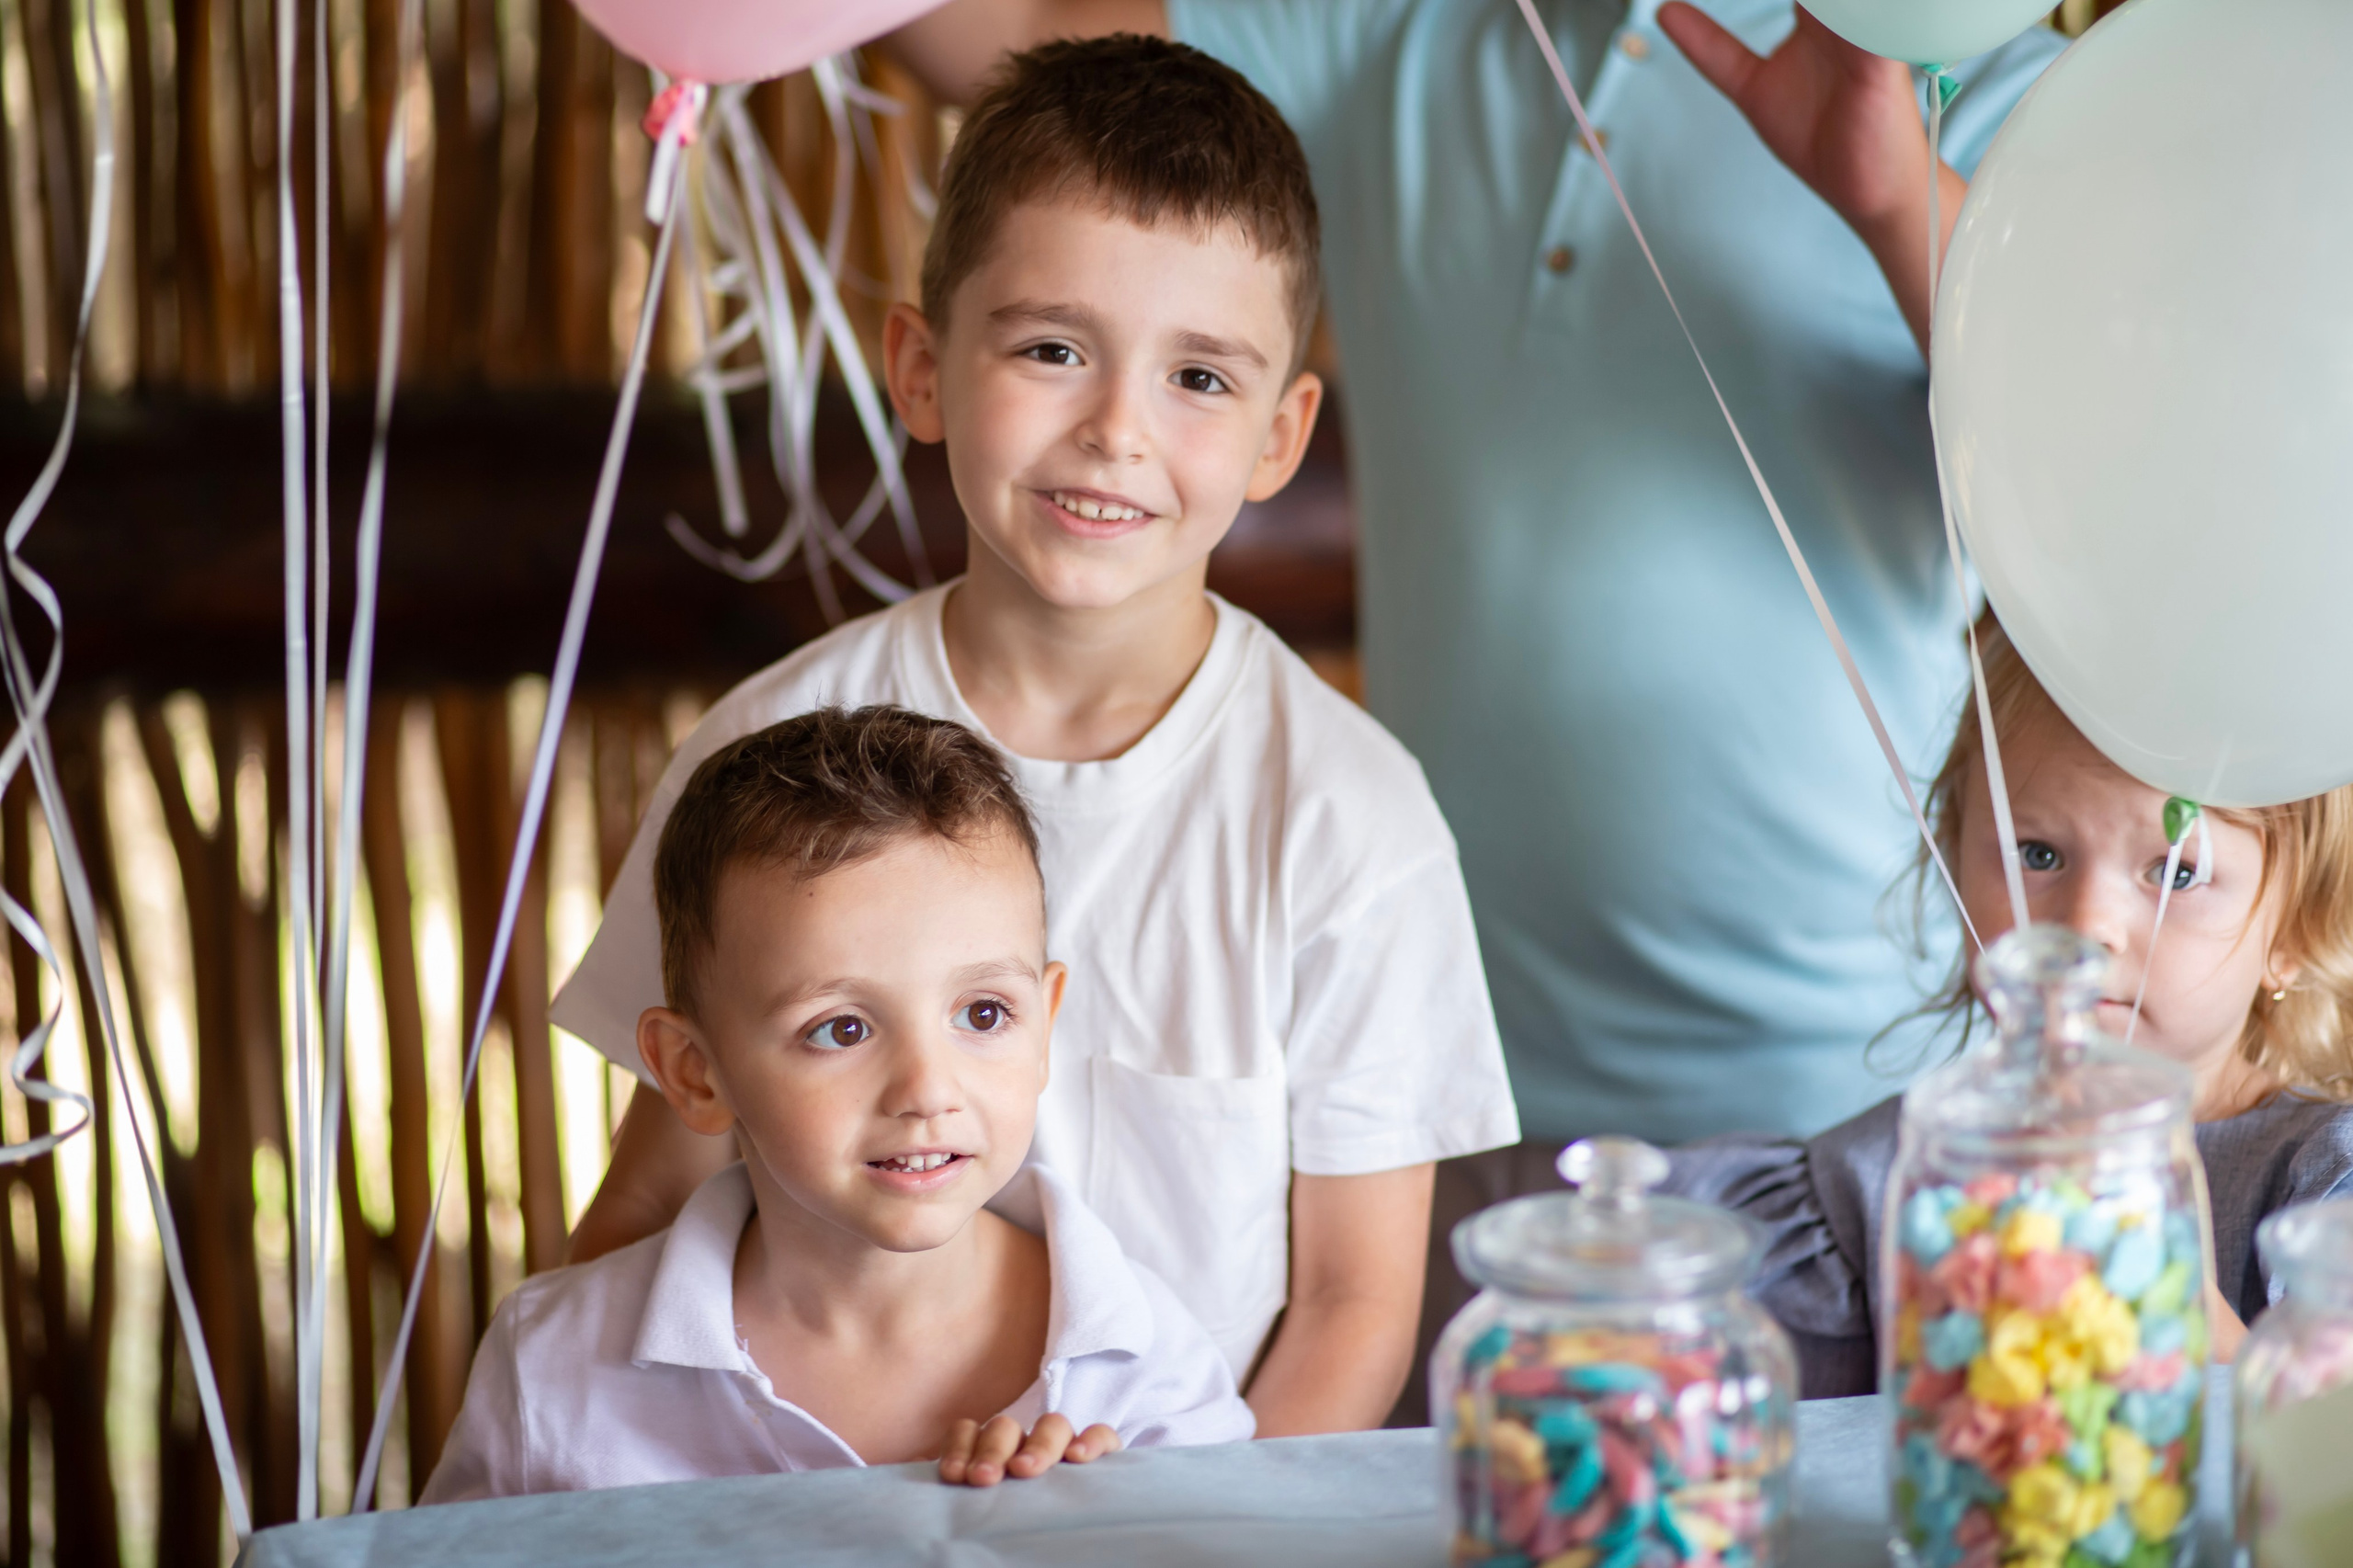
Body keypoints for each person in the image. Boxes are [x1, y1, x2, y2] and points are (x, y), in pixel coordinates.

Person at [883, 0, 2069, 1419]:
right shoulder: (1388, 29)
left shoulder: (2002, 86)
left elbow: (2123, 491)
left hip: (1844, 1116)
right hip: (1429, 1119)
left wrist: (1892, 199)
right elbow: (1011, 35)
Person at [550, 36, 1520, 1437]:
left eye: (1200, 377)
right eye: (1053, 350)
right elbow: (651, 1196)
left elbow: (1351, 1304)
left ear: (1280, 433)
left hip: (1179, 1520)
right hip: (795, 1505)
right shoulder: (767, 752)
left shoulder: (1347, 818)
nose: (1117, 430)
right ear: (921, 367)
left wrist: (1192, 1529)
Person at [423, 708, 1252, 1501]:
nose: (927, 1090)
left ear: (1044, 1028)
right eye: (842, 1029)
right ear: (696, 1074)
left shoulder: (1147, 1373)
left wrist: (1104, 1536)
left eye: (983, 1014)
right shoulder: (550, 1373)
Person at [1665, 617, 2353, 1398]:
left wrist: (2161, 1278)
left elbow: (2320, 1434)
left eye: (2175, 873)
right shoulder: (1895, 1173)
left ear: (2295, 931)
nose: (2086, 925)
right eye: (2038, 854)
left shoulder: (2324, 1181)